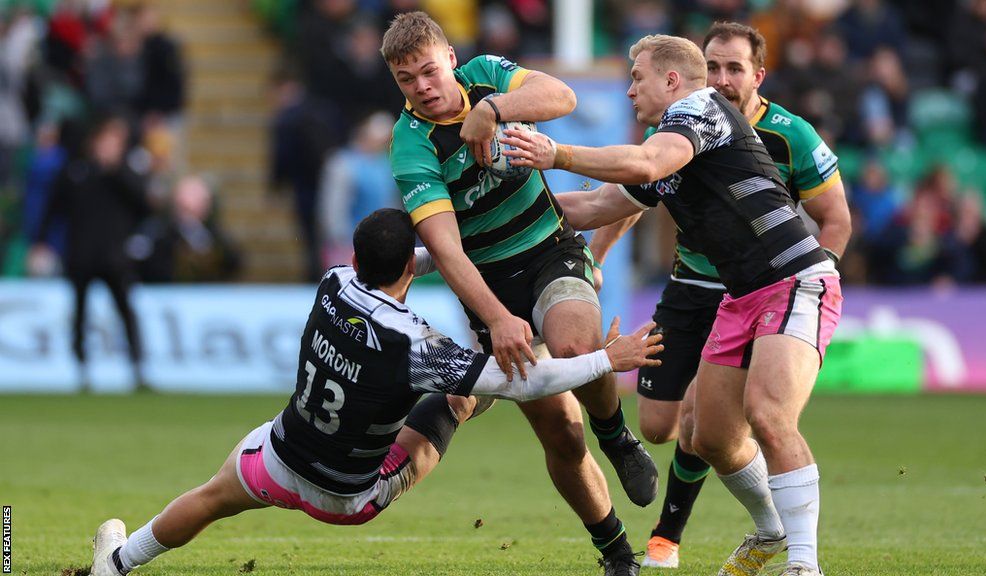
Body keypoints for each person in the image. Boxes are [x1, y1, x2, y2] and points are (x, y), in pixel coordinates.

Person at [87, 208, 663, 576]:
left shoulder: (332, 283)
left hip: (280, 461)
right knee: (466, 395)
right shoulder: (414, 345)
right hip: (351, 496)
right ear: (408, 271)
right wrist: (603, 360)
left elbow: (403, 263)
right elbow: (530, 381)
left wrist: (441, 262)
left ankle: (119, 562)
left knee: (211, 497)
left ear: (356, 258)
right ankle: (615, 527)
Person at [502, 34, 843, 576]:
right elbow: (594, 205)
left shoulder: (700, 111)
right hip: (740, 295)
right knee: (709, 436)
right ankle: (773, 529)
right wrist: (479, 222)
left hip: (793, 278)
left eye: (637, 77)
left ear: (670, 80)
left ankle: (804, 564)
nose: (629, 89)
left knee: (769, 414)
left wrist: (556, 153)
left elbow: (644, 163)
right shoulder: (671, 142)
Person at [383, 12, 656, 575]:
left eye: (429, 71)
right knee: (558, 433)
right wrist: (498, 319)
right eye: (407, 80)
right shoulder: (411, 145)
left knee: (578, 350)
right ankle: (617, 554)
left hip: (552, 250)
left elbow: (561, 95)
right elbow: (449, 251)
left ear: (452, 59)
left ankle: (618, 436)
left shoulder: (487, 76)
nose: (423, 87)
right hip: (491, 287)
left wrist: (492, 110)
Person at [31, 114, 151, 391]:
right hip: (81, 256)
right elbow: (53, 209)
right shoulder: (76, 171)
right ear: (96, 141)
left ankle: (138, 369)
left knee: (126, 312)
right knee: (80, 314)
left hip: (115, 257)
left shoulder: (124, 173)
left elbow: (144, 206)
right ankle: (81, 370)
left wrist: (116, 171)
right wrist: (40, 242)